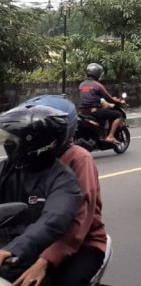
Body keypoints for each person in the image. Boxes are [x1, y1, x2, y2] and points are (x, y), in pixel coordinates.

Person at [13, 96, 107, 286]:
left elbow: (78, 222)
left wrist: (45, 261)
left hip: (81, 243)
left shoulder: (79, 160)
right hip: (35, 238)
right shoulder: (25, 159)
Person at [0, 105, 81, 284]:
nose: (7, 144)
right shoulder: (8, 168)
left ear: (35, 142)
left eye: (13, 139)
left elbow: (53, 219)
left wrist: (14, 249)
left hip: (33, 255)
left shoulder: (63, 179)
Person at [78, 63, 125, 143]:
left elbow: (92, 97)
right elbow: (109, 98)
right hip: (95, 111)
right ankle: (110, 136)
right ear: (97, 73)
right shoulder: (97, 85)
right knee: (118, 115)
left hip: (83, 112)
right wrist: (119, 102)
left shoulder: (81, 85)